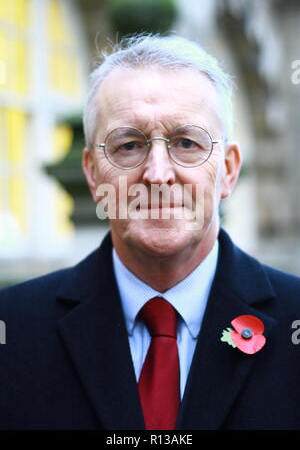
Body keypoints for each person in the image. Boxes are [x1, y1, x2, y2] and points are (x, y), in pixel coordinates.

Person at [0, 34, 300, 431]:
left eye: (186, 142)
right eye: (128, 146)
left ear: (228, 170)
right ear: (92, 174)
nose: (158, 174)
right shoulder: (13, 329)